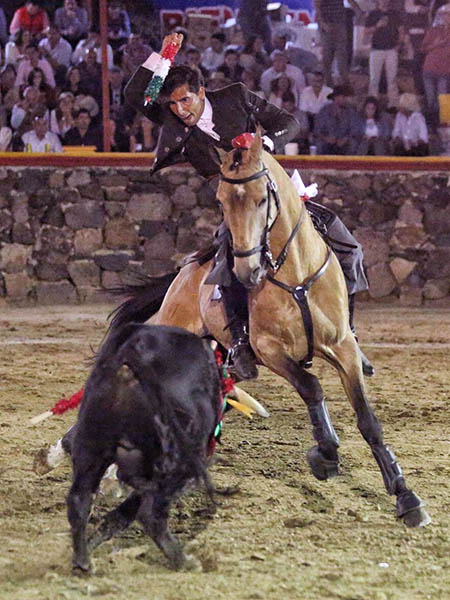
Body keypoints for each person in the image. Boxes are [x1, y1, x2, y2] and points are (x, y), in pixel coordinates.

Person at [124, 33, 375, 379]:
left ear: (200, 93)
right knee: (228, 264)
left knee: (349, 248)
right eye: (173, 105)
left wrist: (264, 143)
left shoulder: (235, 97)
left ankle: (349, 334)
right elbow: (135, 96)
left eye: (185, 101)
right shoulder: (173, 121)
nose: (180, 110)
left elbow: (289, 123)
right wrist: (164, 56)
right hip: (235, 208)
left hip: (273, 193)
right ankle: (240, 343)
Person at [364, 0, 404, 107]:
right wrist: (377, 26)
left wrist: (399, 45)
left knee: (392, 78)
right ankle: (372, 104)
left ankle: (393, 104)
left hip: (391, 50)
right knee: (374, 78)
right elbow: (366, 31)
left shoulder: (394, 14)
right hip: (376, 49)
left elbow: (401, 30)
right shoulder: (373, 14)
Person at [314, 0, 362, 87]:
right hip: (327, 25)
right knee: (327, 58)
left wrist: (358, 11)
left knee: (342, 57)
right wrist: (322, 23)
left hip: (340, 24)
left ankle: (345, 85)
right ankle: (328, 85)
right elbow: (317, 5)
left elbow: (350, 1)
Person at [421, 4, 450, 128]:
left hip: (444, 71)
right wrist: (436, 44)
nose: (446, 17)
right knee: (431, 101)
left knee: (443, 99)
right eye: (444, 15)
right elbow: (423, 49)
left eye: (448, 15)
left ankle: (444, 127)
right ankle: (432, 127)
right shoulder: (433, 31)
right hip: (429, 69)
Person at [314, 84, 359, 155]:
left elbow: (354, 129)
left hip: (344, 141)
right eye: (343, 97)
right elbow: (317, 131)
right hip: (327, 140)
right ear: (336, 97)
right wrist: (326, 138)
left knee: (353, 144)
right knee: (319, 144)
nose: (346, 100)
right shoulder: (324, 111)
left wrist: (346, 139)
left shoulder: (351, 111)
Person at [299, 70, 333, 134]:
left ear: (323, 81)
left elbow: (331, 108)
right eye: (314, 81)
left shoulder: (329, 91)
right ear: (310, 81)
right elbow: (303, 110)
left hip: (326, 118)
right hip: (310, 119)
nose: (317, 83)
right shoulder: (305, 92)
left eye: (319, 81)